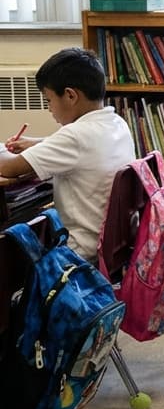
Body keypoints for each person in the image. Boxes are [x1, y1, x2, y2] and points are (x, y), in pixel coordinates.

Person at [0, 47, 136, 262]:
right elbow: (84, 147)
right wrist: (37, 143)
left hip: (77, 249)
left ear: (71, 95)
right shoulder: (116, 123)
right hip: (112, 244)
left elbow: (8, 167)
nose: (49, 109)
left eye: (49, 100)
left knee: (10, 236)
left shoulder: (74, 136)